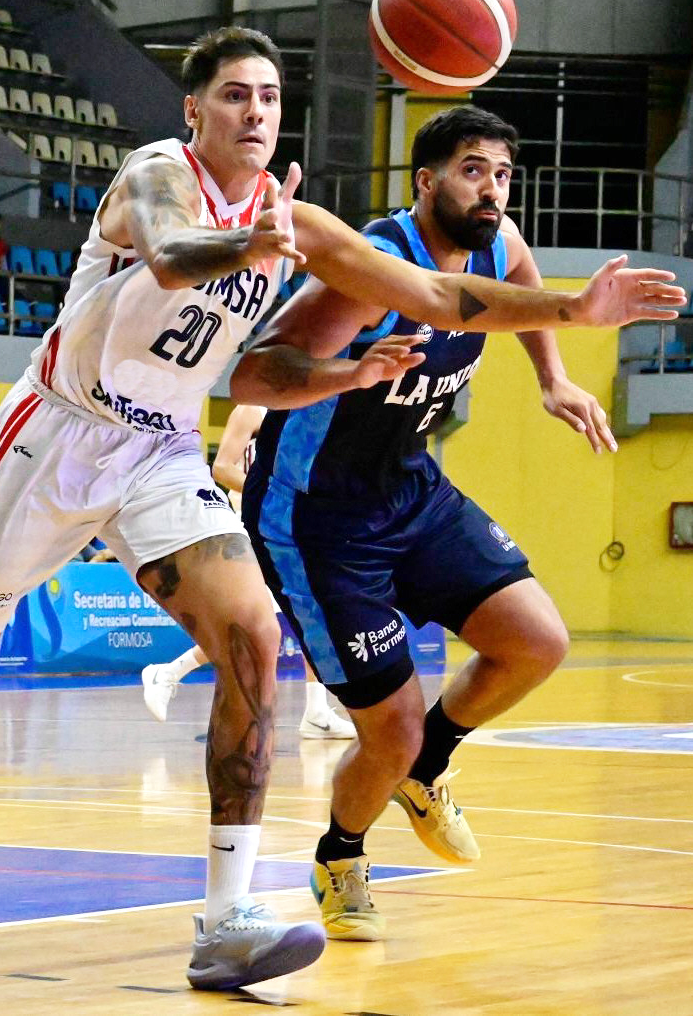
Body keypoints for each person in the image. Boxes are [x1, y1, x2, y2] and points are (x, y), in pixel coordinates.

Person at [0, 25, 681, 989]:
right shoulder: (157, 174)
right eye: (236, 95)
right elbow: (168, 255)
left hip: (159, 449)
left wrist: (572, 311)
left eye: (270, 98)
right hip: (55, 437)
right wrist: (250, 242)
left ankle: (229, 917)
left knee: (251, 636)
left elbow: (440, 295)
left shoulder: (299, 222)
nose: (255, 112)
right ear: (194, 110)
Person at [231, 105, 633, 942]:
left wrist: (552, 378)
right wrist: (349, 372)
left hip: (411, 490)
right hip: (318, 518)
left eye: (503, 174)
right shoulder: (371, 267)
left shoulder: (497, 242)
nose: (492, 190)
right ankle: (341, 857)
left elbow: (521, 284)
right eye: (473, 170)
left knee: (537, 641)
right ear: (426, 181)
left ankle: (429, 767)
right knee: (392, 726)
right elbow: (256, 374)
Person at [139, 403, 356, 739]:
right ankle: (168, 673)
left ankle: (317, 712)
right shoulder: (251, 410)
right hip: (254, 526)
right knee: (255, 627)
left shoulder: (306, 411)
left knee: (311, 614)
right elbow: (222, 468)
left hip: (288, 527)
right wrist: (270, 493)